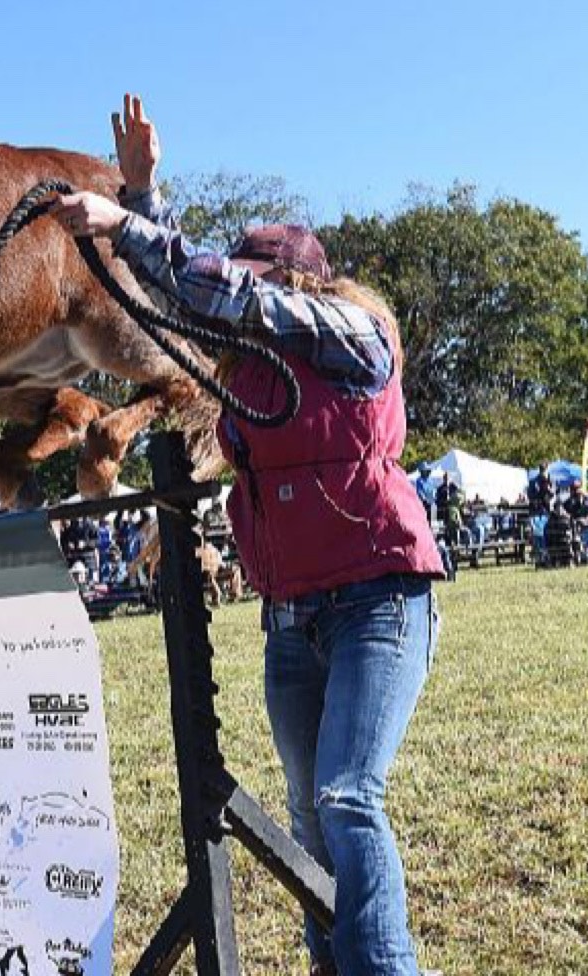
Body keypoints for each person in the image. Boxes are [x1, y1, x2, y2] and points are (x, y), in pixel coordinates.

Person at [51, 94, 442, 976]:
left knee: (346, 798)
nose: (238, 313)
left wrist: (128, 220)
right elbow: (186, 295)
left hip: (377, 603)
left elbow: (225, 292)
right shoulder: (248, 379)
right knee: (307, 817)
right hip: (291, 619)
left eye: (258, 292)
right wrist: (144, 199)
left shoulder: (355, 338)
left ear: (301, 289)